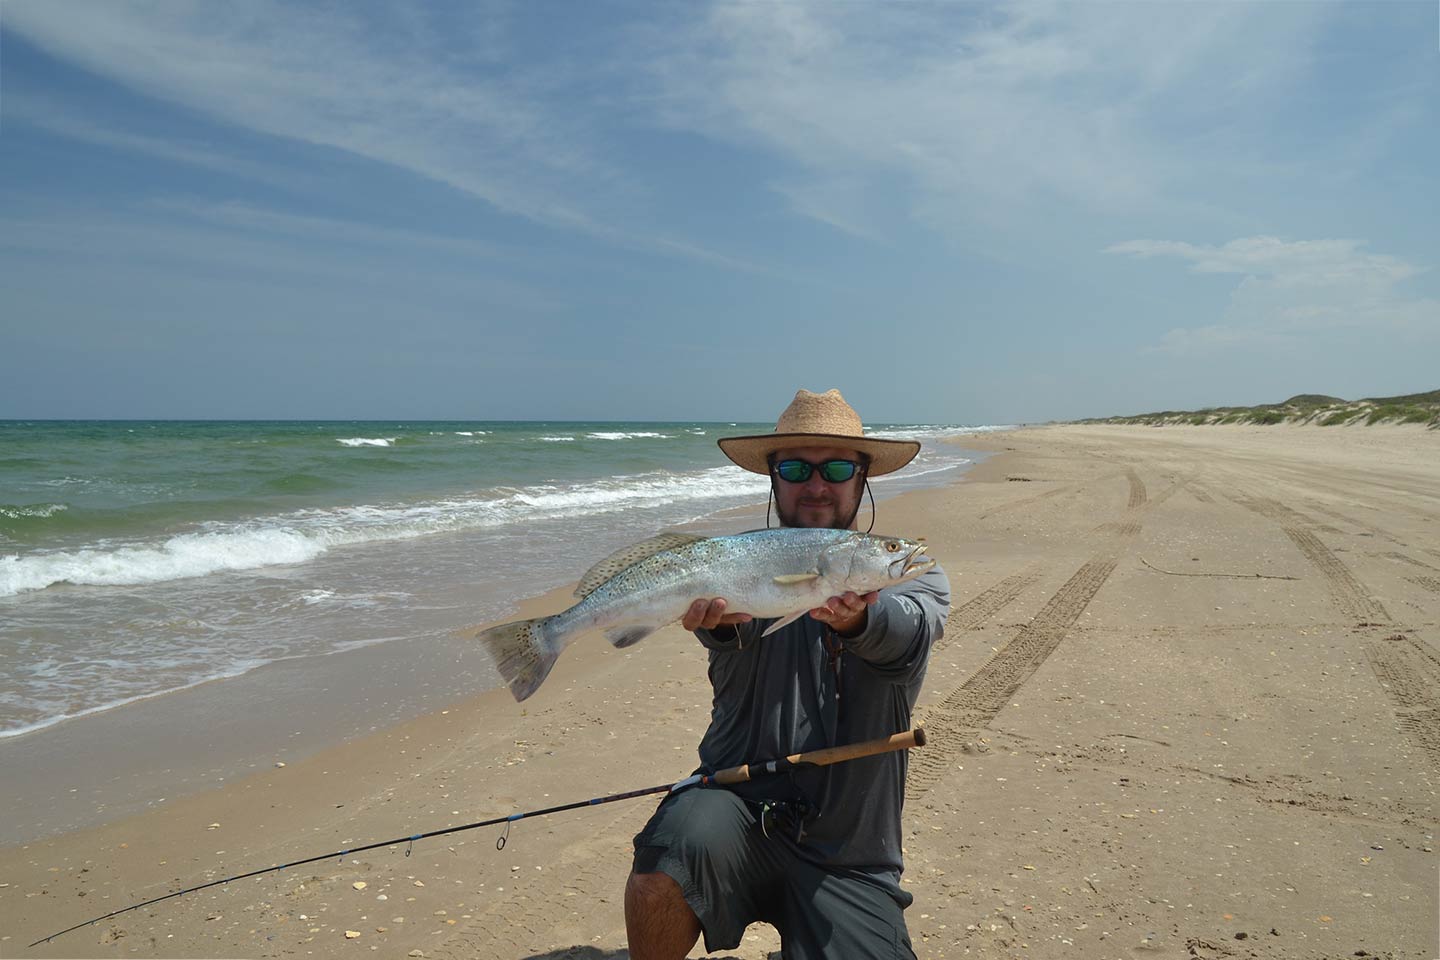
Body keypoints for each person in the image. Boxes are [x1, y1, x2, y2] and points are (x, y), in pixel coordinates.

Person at [624, 388, 951, 959]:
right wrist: (718, 627)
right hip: (732, 802)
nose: (817, 485)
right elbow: (733, 639)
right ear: (773, 478)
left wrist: (859, 621)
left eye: (838, 467)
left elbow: (906, 634)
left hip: (851, 846)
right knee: (661, 869)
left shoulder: (913, 580)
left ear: (863, 479)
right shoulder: (742, 563)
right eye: (796, 468)